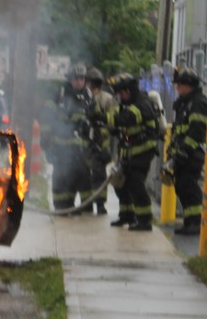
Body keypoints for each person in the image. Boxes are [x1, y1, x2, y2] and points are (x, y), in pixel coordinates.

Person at [99, 73, 159, 231]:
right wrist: (112, 128)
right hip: (129, 153)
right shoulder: (128, 103)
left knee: (136, 184)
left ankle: (145, 221)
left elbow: (124, 119)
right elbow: (119, 121)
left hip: (142, 152)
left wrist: (102, 117)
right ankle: (127, 216)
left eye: (121, 92)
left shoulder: (141, 105)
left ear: (128, 90)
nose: (119, 96)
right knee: (121, 185)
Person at [43, 63, 93, 214]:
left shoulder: (89, 97)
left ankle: (85, 209)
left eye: (82, 79)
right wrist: (47, 144)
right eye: (76, 79)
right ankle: (62, 208)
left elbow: (96, 121)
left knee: (84, 182)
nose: (79, 82)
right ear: (70, 80)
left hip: (82, 152)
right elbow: (47, 119)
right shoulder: (60, 96)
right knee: (61, 181)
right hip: (61, 150)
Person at [168, 67, 207, 235]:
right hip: (183, 152)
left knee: (188, 185)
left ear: (188, 85)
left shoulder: (198, 103)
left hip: (193, 153)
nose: (177, 88)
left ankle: (197, 222)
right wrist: (174, 151)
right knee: (181, 186)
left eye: (179, 84)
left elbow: (197, 130)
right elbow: (179, 131)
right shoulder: (185, 104)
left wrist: (185, 150)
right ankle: (189, 221)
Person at [85, 67, 114, 215]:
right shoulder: (84, 98)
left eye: (92, 83)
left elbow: (112, 122)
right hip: (86, 144)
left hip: (101, 145)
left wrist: (100, 137)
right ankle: (87, 204)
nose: (90, 85)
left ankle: (100, 205)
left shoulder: (107, 99)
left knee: (99, 176)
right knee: (84, 176)